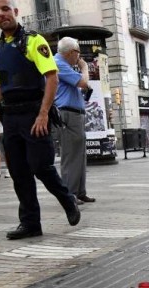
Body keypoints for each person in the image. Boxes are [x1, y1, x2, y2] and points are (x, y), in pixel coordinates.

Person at [0, 0, 80, 240]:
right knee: (18, 172)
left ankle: (67, 199)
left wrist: (42, 114)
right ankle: (30, 223)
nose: (1, 15)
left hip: (33, 114)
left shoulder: (32, 41)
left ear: (15, 12)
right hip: (10, 117)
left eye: (5, 9)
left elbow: (52, 77)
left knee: (41, 166)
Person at [53, 37, 95, 205]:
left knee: (79, 154)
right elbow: (83, 82)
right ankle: (69, 194)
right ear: (71, 52)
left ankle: (79, 191)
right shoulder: (59, 63)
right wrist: (84, 67)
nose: (79, 58)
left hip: (74, 114)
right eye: (78, 53)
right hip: (68, 114)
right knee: (71, 155)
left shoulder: (65, 66)